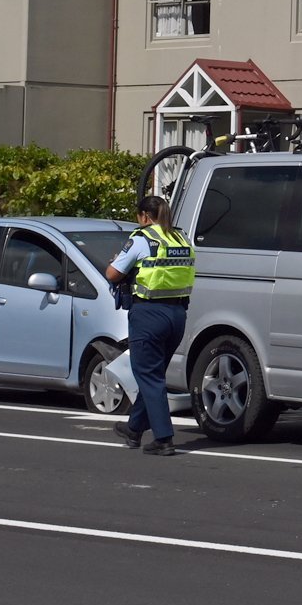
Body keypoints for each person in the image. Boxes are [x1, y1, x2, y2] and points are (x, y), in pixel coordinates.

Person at [103, 195, 193, 456]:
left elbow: (112, 274)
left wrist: (116, 263)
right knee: (152, 375)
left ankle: (164, 438)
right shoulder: (181, 238)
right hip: (177, 314)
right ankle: (134, 429)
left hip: (149, 314)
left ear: (144, 216)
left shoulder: (142, 239)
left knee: (149, 376)